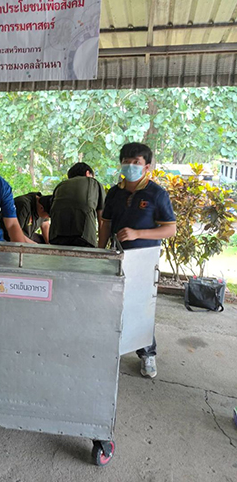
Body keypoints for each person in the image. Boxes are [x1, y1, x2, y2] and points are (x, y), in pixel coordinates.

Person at [99, 142, 176, 379]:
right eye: (127, 161)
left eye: (136, 162)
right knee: (114, 304)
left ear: (147, 166)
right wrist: (100, 251)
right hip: (117, 256)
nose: (130, 166)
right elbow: (106, 224)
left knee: (142, 306)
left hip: (144, 259)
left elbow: (170, 229)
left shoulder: (156, 194)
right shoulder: (115, 192)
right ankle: (113, 348)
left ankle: (147, 353)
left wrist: (137, 233)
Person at [49, 162, 105, 247]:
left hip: (57, 236)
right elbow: (102, 220)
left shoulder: (60, 186)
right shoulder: (93, 182)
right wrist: (102, 248)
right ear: (87, 173)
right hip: (84, 236)